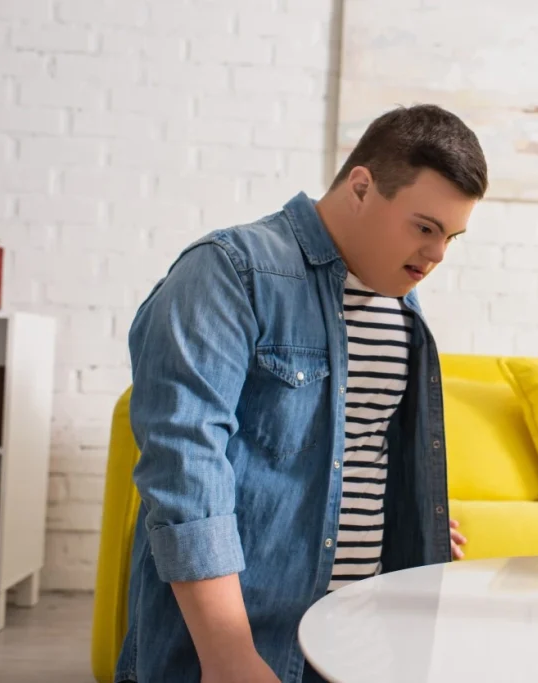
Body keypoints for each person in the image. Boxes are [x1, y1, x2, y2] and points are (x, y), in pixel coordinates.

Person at [116, 103, 486, 683]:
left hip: (359, 642)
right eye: (425, 227)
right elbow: (183, 468)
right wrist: (228, 653)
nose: (438, 254)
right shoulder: (229, 270)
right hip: (244, 646)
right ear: (361, 186)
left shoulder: (400, 300)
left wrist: (409, 513)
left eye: (451, 236)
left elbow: (355, 451)